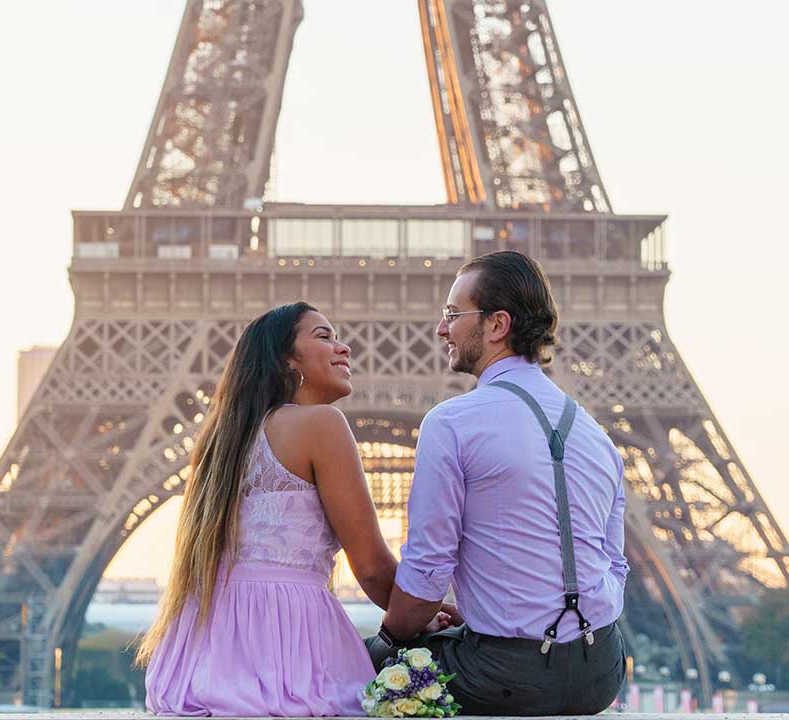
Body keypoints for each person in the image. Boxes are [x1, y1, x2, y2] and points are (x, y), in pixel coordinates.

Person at [137, 302, 449, 716]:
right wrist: (425, 611)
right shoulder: (322, 424)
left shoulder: (221, 440)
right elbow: (372, 567)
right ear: (286, 360)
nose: (345, 348)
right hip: (287, 643)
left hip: (204, 651)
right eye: (324, 337)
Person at [369, 251, 629, 715]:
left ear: (496, 325)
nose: (441, 329)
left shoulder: (453, 422)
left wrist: (386, 639)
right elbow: (614, 565)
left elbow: (429, 569)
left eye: (452, 314)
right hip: (601, 671)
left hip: (506, 676)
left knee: (366, 669)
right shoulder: (597, 436)